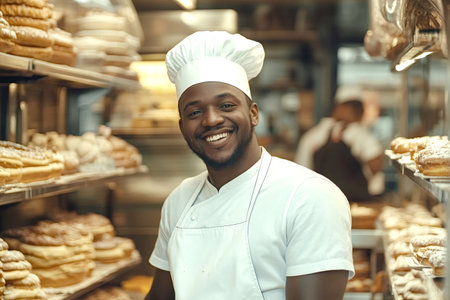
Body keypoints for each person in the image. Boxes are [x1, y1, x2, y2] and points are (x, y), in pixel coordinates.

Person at [146, 31, 354, 300]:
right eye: (194, 112)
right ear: (182, 126)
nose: (211, 120)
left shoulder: (308, 196)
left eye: (226, 105)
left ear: (253, 113)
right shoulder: (179, 201)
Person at [294, 98, 384, 202]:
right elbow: (376, 163)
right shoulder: (357, 133)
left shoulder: (312, 135)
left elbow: (301, 169)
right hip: (355, 200)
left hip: (323, 199)